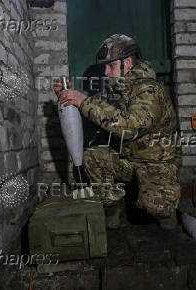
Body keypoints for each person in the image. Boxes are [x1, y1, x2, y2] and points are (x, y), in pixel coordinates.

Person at [53, 34, 181, 230]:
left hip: (156, 163)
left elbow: (129, 127)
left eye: (110, 66)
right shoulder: (119, 89)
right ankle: (113, 210)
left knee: (156, 208)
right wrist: (69, 97)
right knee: (93, 157)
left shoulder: (150, 90)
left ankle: (166, 211)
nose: (106, 72)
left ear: (127, 62)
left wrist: (84, 102)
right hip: (129, 160)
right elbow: (97, 108)